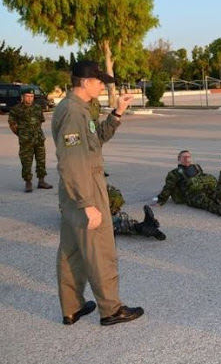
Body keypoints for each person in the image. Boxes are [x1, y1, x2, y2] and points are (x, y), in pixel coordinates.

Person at [51, 60, 143, 326]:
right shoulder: (73, 112)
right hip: (84, 191)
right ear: (87, 82)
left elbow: (95, 141)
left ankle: (72, 308)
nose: (103, 85)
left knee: (72, 251)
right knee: (99, 250)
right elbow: (70, 162)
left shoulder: (79, 109)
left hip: (74, 192)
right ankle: (111, 309)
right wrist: (87, 203)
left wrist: (117, 113)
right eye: (100, 81)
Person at [155, 150, 221, 216]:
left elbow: (202, 177)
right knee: (204, 200)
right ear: (179, 159)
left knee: (219, 194)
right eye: (183, 157)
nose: (187, 159)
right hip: (188, 195)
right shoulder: (174, 173)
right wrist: (160, 201)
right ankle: (220, 210)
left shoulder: (196, 167)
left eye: (188, 156)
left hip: (203, 188)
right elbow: (168, 188)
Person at [8, 88, 53, 192]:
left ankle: (41, 181)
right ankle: (28, 182)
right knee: (26, 161)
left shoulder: (37, 108)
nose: (30, 98)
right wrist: (21, 134)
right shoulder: (16, 109)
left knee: (41, 160)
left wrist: (35, 132)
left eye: (31, 96)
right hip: (26, 141)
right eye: (27, 96)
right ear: (22, 97)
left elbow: (40, 121)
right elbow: (12, 124)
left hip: (39, 139)